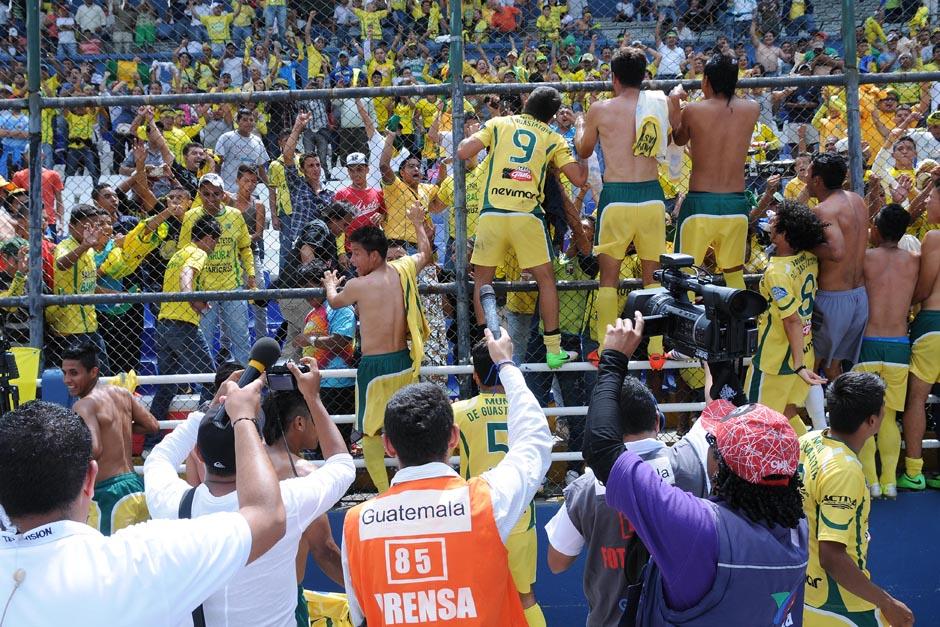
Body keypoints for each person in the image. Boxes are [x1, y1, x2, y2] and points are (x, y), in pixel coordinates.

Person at [583, 315, 808, 627]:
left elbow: (602, 449)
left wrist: (613, 359)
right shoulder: (795, 527)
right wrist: (716, 351)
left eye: (715, 443)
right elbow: (748, 441)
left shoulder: (698, 529)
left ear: (720, 465)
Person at [0, 383, 286, 625]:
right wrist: (241, 418)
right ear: (89, 478)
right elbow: (266, 515)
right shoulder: (144, 558)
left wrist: (212, 415)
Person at [342, 326, 552, 626]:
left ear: (388, 445)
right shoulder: (487, 502)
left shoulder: (356, 522)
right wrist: (506, 364)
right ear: (453, 437)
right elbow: (535, 442)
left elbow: (359, 613)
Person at [145, 360, 355, 627]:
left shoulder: (171, 504)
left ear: (198, 452)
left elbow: (159, 458)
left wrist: (216, 406)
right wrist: (312, 397)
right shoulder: (288, 500)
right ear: (253, 448)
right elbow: (343, 465)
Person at [545, 363, 711, 626]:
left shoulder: (587, 487)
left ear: (606, 429)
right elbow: (716, 410)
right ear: (657, 421)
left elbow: (557, 562)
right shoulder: (691, 462)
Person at [457, 86, 588, 369]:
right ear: (552, 117)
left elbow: (463, 150)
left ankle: (486, 348)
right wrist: (584, 154)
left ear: (527, 102)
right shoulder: (552, 136)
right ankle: (554, 351)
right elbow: (578, 179)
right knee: (546, 280)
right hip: (527, 215)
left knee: (482, 282)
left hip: (492, 212)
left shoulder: (499, 123)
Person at [575, 46, 679, 356]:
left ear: (614, 78)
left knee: (609, 277)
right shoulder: (659, 103)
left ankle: (608, 348)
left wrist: (581, 123)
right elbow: (673, 139)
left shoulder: (601, 108)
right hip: (650, 194)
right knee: (653, 276)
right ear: (645, 75)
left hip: (617, 195)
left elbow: (584, 150)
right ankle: (657, 349)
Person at [323, 203, 431, 493]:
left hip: (374, 367)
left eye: (356, 253)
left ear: (373, 254)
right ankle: (414, 486)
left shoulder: (358, 284)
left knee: (370, 433)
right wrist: (418, 222)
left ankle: (386, 493)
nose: (352, 258)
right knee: (409, 427)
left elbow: (334, 302)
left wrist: (331, 283)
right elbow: (425, 253)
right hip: (404, 362)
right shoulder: (403, 269)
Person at [799, 371, 914, 627]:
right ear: (872, 421)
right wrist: (886, 602)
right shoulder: (844, 470)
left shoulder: (808, 441)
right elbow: (831, 555)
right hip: (841, 605)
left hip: (808, 593)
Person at [452, 340, 547, 627]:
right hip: (520, 514)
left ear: (475, 376)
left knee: (475, 598)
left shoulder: (459, 412)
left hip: (479, 515)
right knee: (525, 596)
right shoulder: (524, 408)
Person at [672, 52, 760, 290]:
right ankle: (742, 326)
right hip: (736, 203)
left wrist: (673, 105)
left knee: (684, 275)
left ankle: (686, 327)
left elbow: (679, 140)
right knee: (734, 274)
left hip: (701, 203)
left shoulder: (693, 110)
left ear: (706, 80)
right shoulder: (752, 109)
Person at [262, 384, 346, 625]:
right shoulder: (304, 472)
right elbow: (325, 551)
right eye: (314, 419)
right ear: (299, 423)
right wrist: (365, 591)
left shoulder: (243, 462)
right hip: (284, 601)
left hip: (238, 595)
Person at [745, 200, 828, 436]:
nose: (770, 222)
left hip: (777, 357)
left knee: (757, 420)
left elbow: (791, 319)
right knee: (786, 414)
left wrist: (799, 365)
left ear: (785, 234)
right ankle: (810, 458)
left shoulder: (776, 272)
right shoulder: (809, 258)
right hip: (804, 349)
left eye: (775, 221)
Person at [854, 204, 919, 499]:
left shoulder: (866, 258)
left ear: (877, 229)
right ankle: (890, 482)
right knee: (889, 417)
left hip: (868, 341)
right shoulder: (914, 261)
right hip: (898, 344)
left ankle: (871, 482)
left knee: (865, 414)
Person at [62, 342, 159, 536]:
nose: (67, 379)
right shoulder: (122, 393)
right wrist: (115, 430)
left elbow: (94, 449)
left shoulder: (84, 405)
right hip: (136, 487)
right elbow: (152, 425)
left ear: (93, 372)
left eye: (74, 373)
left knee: (107, 562)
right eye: (64, 372)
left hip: (110, 495)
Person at [150, 214, 220, 435]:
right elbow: (187, 274)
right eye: (215, 240)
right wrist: (193, 298)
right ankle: (204, 433)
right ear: (209, 238)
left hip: (164, 324)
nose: (215, 246)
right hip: (183, 325)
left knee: (167, 386)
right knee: (210, 379)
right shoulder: (197, 253)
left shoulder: (179, 253)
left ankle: (151, 442)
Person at [178, 173, 256, 366]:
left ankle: (245, 383)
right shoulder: (191, 217)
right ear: (199, 194)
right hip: (202, 289)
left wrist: (251, 276)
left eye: (215, 194)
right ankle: (206, 387)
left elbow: (245, 248)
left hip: (232, 285)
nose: (211, 199)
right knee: (202, 340)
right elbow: (183, 252)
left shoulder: (235, 215)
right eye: (206, 194)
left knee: (241, 339)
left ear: (223, 194)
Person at [807, 153, 869, 380]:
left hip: (832, 301)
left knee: (809, 365)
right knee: (834, 369)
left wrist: (803, 242)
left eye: (808, 172)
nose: (804, 177)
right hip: (858, 298)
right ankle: (844, 415)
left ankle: (807, 416)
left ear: (817, 181)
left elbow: (836, 251)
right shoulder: (857, 201)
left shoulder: (824, 209)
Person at [900, 171, 940, 490]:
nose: (927, 201)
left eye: (932, 196)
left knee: (916, 400)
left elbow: (924, 289)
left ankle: (914, 471)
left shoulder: (934, 238)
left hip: (933, 325)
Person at [45, 204, 111, 373]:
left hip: (90, 324)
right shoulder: (66, 246)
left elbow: (87, 284)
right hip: (70, 328)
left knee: (102, 374)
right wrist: (85, 245)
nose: (91, 230)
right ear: (71, 226)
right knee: (80, 378)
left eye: (95, 226)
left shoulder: (89, 250)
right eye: (86, 226)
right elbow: (61, 264)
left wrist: (117, 295)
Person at [214, 108, 270, 192]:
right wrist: (216, 185)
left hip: (251, 192)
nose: (249, 122)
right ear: (237, 122)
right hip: (229, 190)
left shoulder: (257, 141)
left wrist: (270, 187)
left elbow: (261, 168)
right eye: (244, 120)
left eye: (251, 120)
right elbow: (218, 163)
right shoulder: (226, 138)